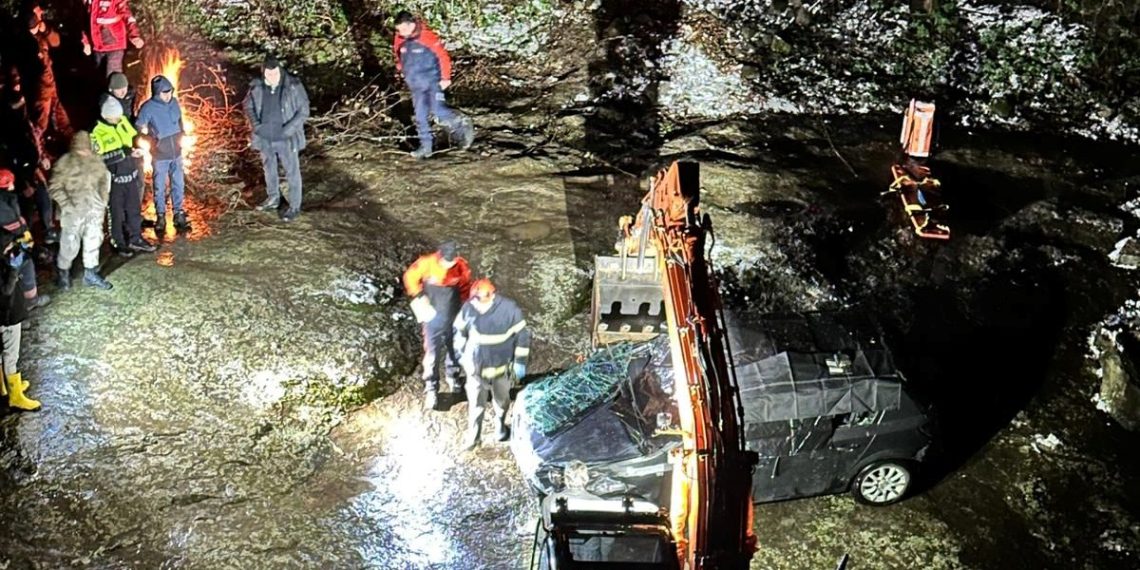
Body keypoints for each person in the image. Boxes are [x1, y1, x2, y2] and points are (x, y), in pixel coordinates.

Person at [453, 278, 530, 449]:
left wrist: (519, 363)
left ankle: (500, 428)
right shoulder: (468, 308)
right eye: (474, 300)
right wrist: (462, 357)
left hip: (500, 370)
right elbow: (458, 332)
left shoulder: (509, 309)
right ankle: (474, 438)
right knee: (476, 405)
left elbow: (522, 336)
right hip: (476, 371)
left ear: (492, 296)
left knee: (502, 402)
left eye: (479, 300)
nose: (475, 304)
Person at [392, 10, 474, 159]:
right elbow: (398, 53)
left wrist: (445, 78)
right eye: (399, 29)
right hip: (416, 84)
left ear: (411, 25)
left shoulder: (426, 36)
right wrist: (401, 69)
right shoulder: (399, 38)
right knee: (420, 115)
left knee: (437, 110)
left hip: (432, 80)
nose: (401, 32)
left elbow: (442, 56)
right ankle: (426, 147)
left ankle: (461, 123)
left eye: (403, 29)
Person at [403, 241, 471, 410]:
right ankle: (431, 389)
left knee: (455, 349)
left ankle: (453, 377)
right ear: (440, 256)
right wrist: (419, 295)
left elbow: (465, 289)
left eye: (452, 262)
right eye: (447, 262)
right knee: (432, 354)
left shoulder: (461, 266)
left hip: (453, 314)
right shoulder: (426, 263)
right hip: (432, 317)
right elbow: (410, 277)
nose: (449, 266)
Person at [243, 54, 309, 222]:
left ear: (280, 70)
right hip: (265, 137)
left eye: (275, 73)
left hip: (286, 138)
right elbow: (248, 106)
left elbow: (303, 111)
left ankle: (294, 206)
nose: (272, 77)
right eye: (268, 73)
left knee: (292, 171)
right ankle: (273, 197)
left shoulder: (293, 85)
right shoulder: (257, 86)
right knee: (269, 168)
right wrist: (257, 126)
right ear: (263, 72)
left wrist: (288, 130)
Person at [48, 131, 112, 290]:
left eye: (86, 149)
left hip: (93, 211)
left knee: (93, 241)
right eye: (81, 150)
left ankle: (90, 274)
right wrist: (67, 205)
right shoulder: (65, 163)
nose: (85, 153)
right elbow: (55, 187)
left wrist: (102, 201)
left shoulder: (96, 160)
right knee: (69, 244)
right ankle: (63, 273)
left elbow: (104, 182)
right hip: (72, 212)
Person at [91, 96, 155, 256]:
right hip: (113, 181)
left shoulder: (122, 121)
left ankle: (135, 238)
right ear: (106, 116)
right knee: (116, 213)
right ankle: (118, 242)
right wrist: (122, 153)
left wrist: (143, 140)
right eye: (115, 117)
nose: (119, 119)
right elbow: (98, 158)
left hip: (130, 176)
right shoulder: (97, 132)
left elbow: (134, 136)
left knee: (134, 209)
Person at [136, 74, 189, 234]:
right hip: (160, 155)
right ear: (157, 93)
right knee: (159, 186)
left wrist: (182, 133)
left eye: (170, 92)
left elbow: (179, 120)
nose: (168, 95)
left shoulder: (174, 102)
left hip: (176, 152)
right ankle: (160, 216)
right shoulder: (148, 107)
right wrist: (151, 140)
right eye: (164, 93)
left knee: (178, 184)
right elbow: (138, 128)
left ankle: (179, 214)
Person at [0, 230, 40, 412]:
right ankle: (15, 397)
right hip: (6, 318)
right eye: (7, 245)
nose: (11, 247)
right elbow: (5, 292)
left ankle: (3, 388)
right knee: (11, 355)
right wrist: (13, 269)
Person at [0, 168, 50, 311]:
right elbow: (15, 226)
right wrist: (26, 240)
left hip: (6, 241)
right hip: (6, 244)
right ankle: (31, 301)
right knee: (25, 265)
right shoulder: (4, 203)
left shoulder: (6, 200)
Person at [21, 8, 71, 140]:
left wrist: (47, 31)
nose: (42, 13)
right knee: (41, 119)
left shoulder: (40, 35)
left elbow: (56, 42)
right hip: (41, 86)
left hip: (49, 82)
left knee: (57, 111)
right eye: (39, 13)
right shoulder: (26, 41)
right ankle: (36, 145)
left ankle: (70, 136)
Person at [81, 0, 144, 77]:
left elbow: (128, 17)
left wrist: (134, 36)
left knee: (113, 76)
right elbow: (86, 21)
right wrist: (86, 42)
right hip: (97, 47)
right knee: (99, 77)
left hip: (114, 47)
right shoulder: (89, 1)